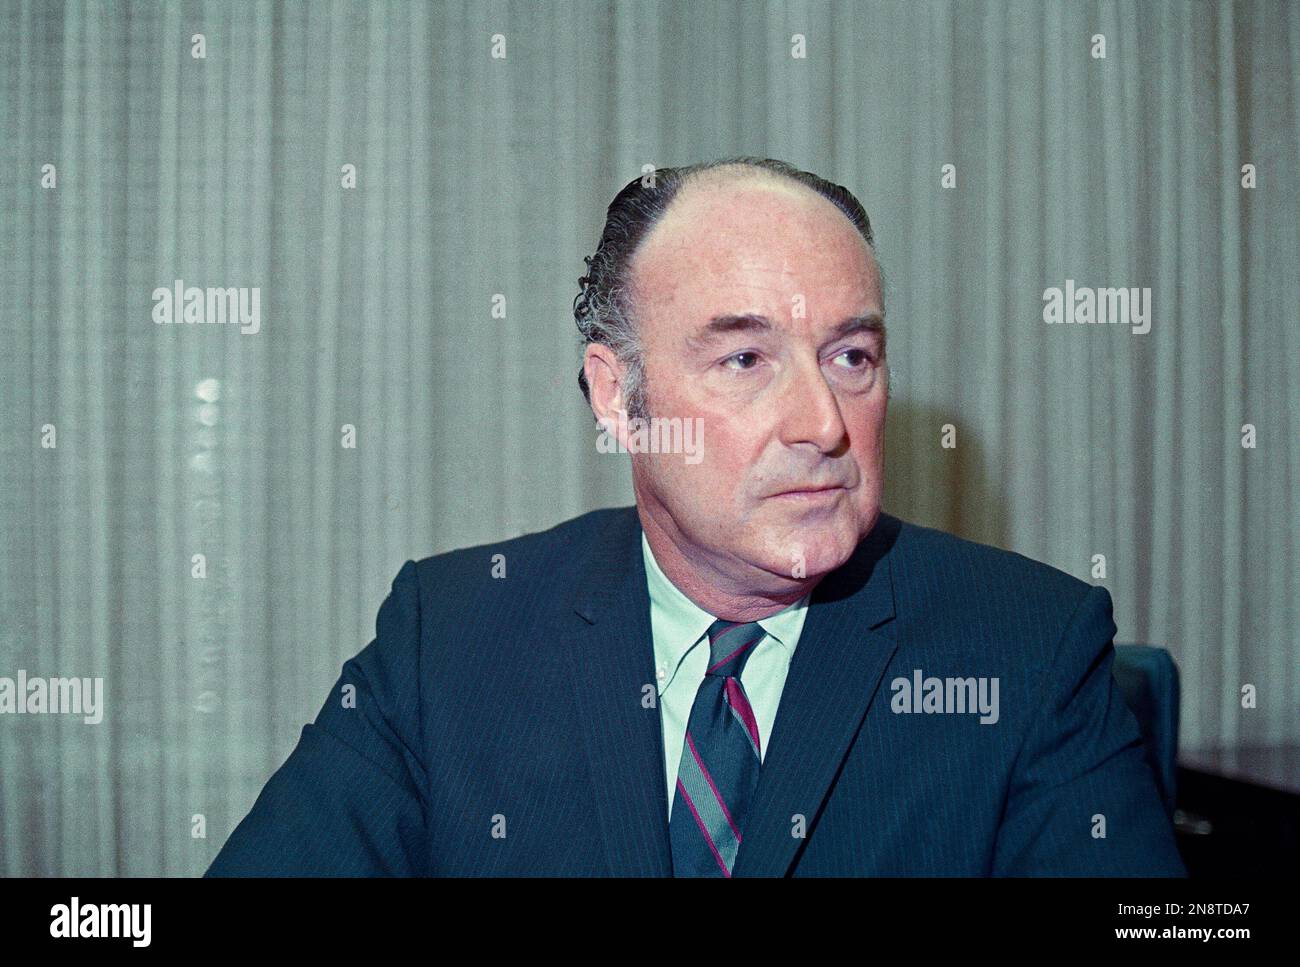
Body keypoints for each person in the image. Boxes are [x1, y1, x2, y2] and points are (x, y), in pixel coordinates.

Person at [206, 158, 1186, 876]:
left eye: (850, 357)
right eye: (744, 360)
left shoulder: (1024, 646)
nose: (821, 424)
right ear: (616, 393)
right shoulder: (452, 633)